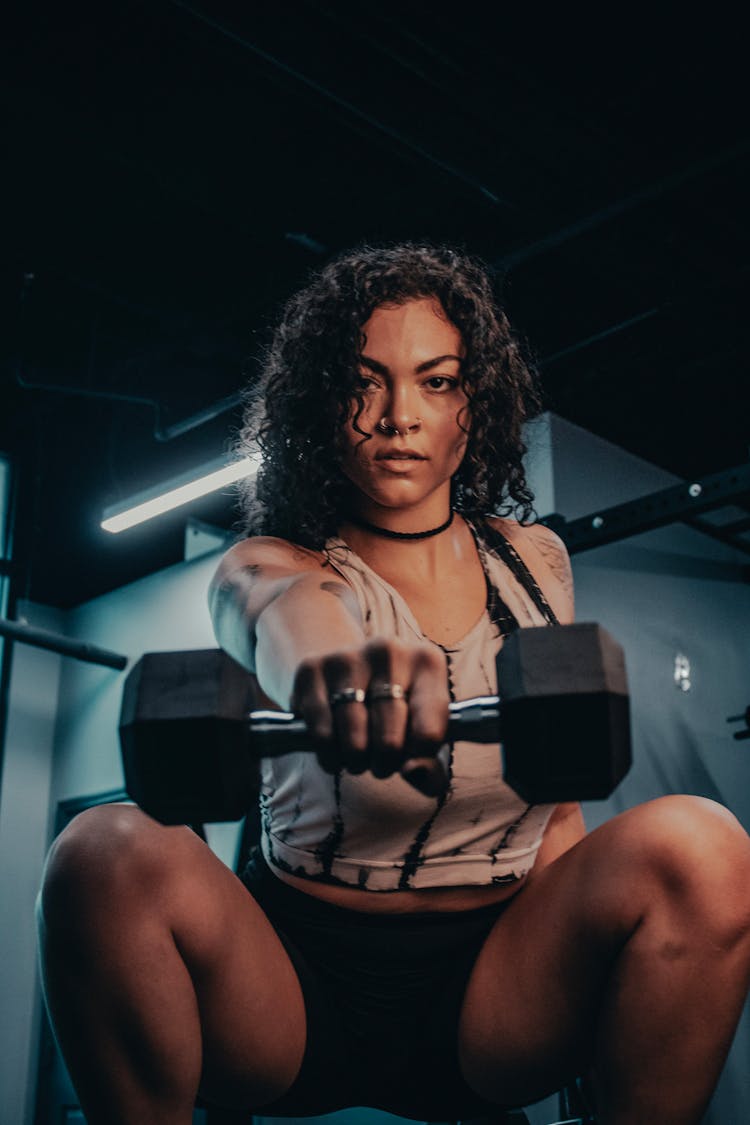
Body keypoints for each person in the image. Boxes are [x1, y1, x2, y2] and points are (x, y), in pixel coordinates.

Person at [38, 243, 750, 1125]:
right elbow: (291, 616)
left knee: (706, 845)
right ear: (320, 405)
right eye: (363, 381)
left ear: (473, 407)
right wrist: (340, 671)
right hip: (291, 987)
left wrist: (583, 963)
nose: (397, 416)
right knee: (98, 851)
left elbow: (559, 797)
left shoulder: (535, 563)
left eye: (437, 381)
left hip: (497, 991)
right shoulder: (271, 563)